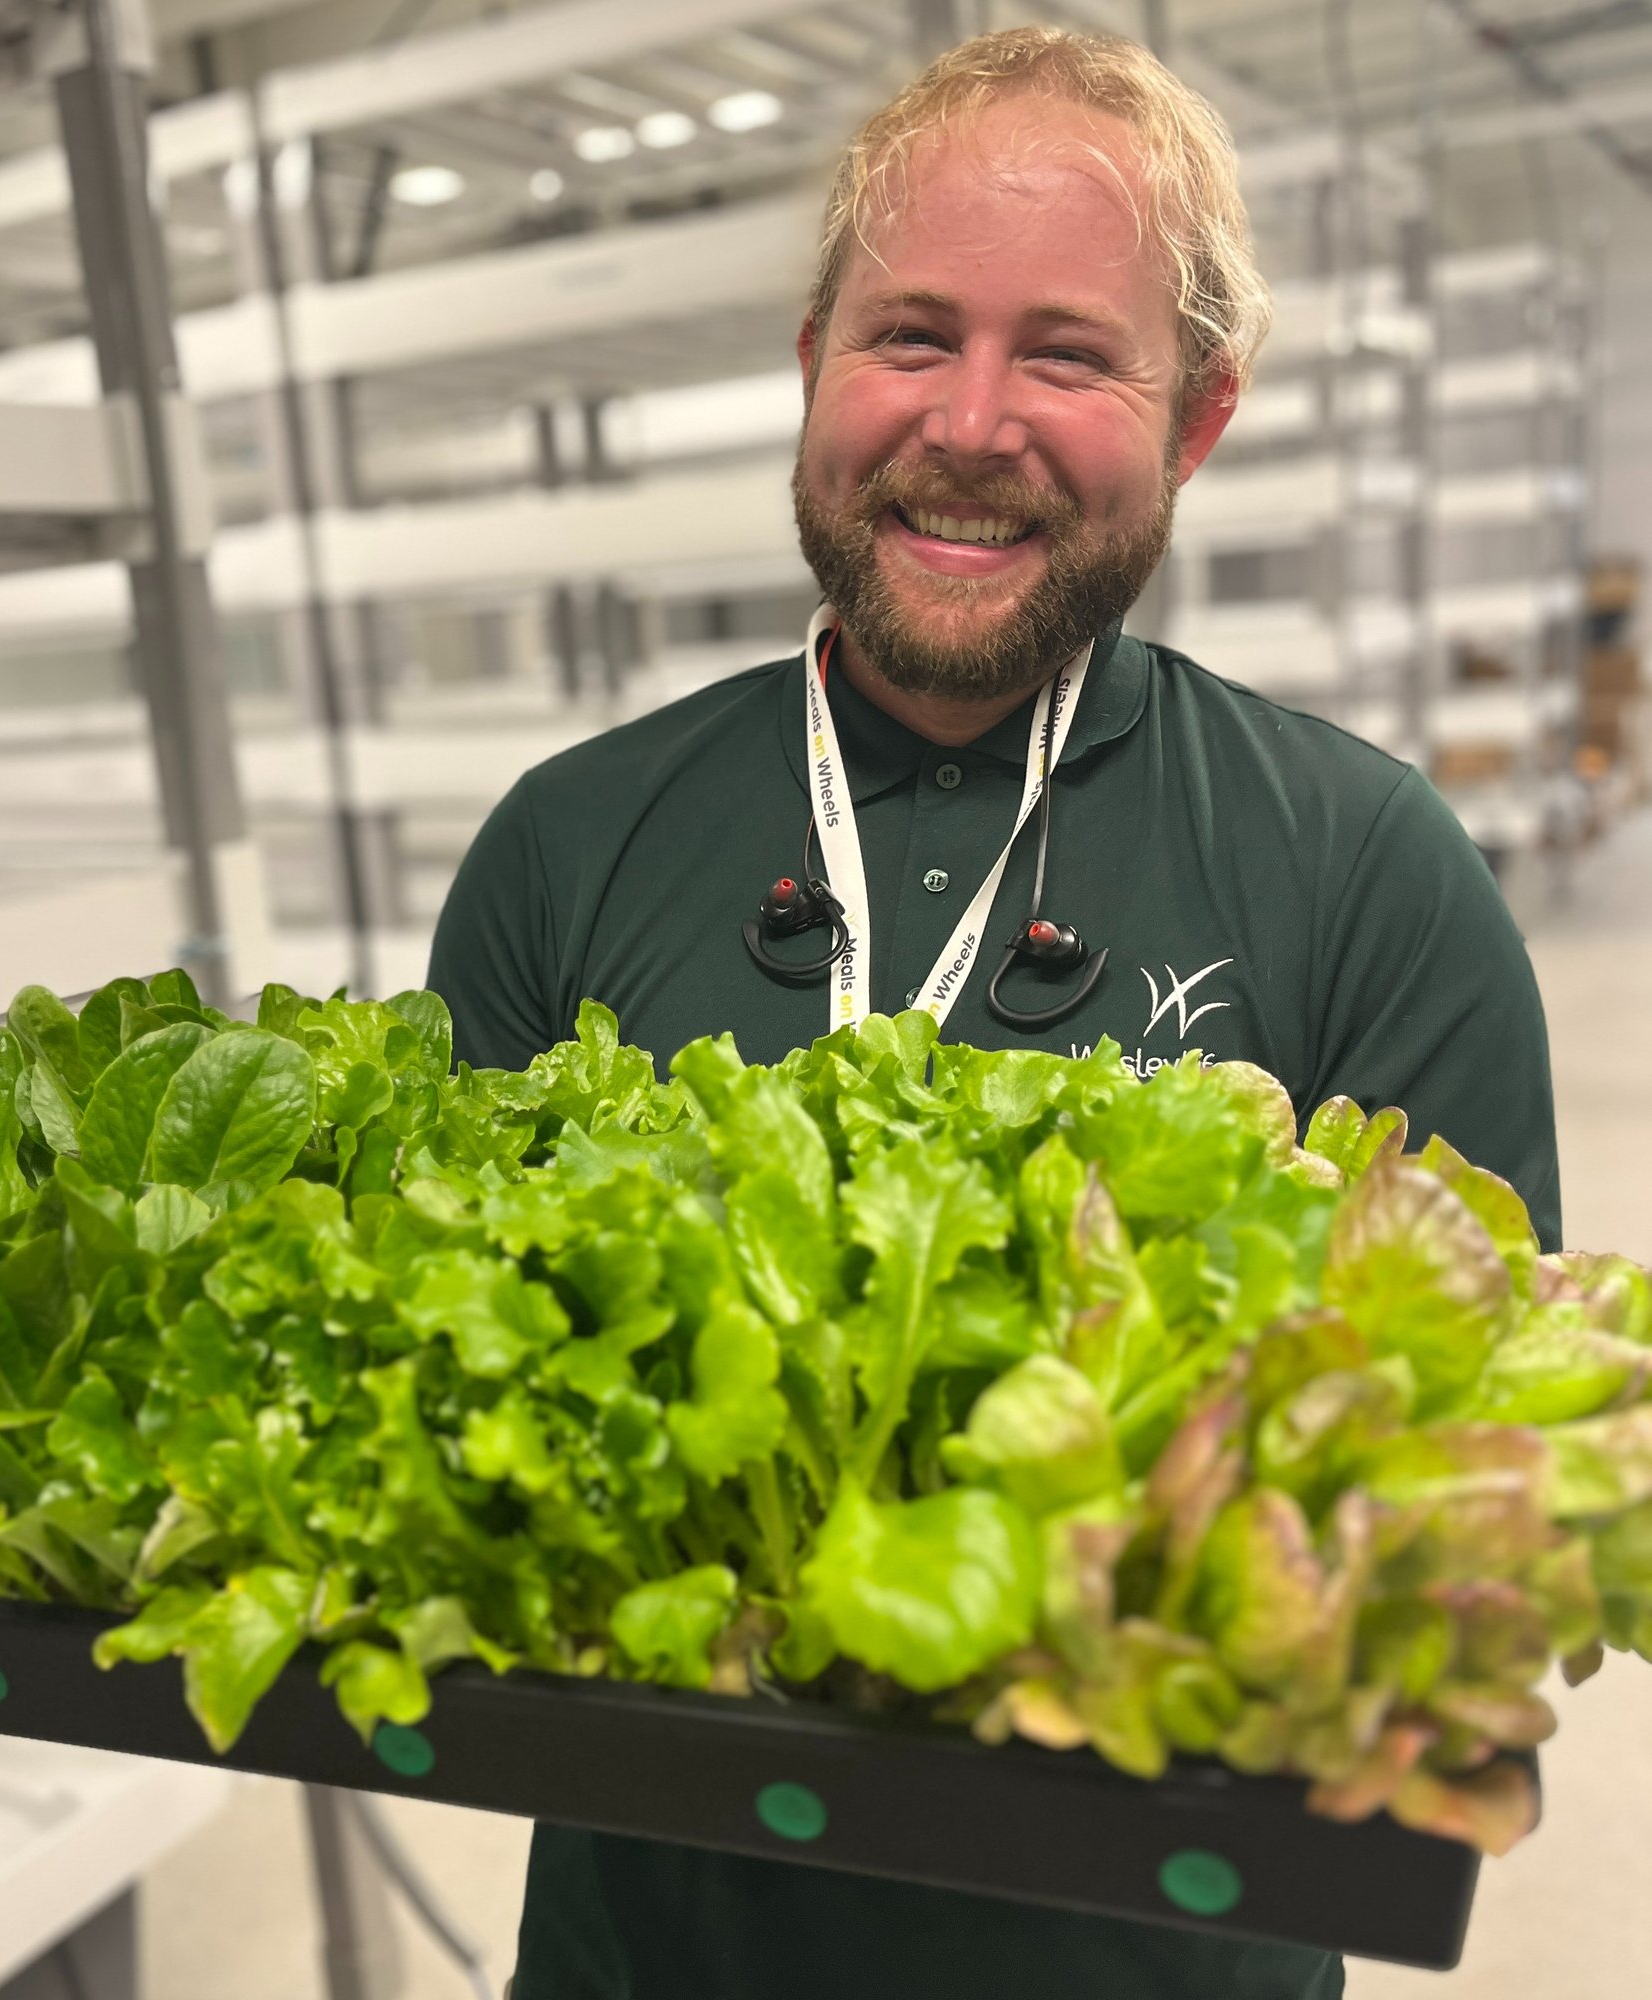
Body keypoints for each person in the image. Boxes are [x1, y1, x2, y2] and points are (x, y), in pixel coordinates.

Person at [430, 25, 1558, 2000]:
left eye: (1065, 354)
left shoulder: (1368, 868)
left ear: (1193, 420)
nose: (971, 420)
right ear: (809, 370)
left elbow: (1460, 1518)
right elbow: (437, 1418)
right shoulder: (566, 846)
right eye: (909, 336)